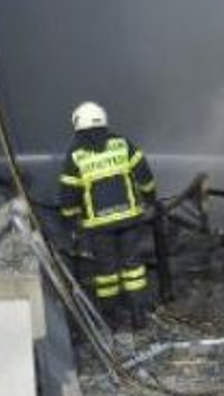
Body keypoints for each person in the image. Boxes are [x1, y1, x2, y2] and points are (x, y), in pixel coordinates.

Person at [57, 102, 157, 329]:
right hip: (130, 220)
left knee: (106, 274)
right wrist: (150, 198)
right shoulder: (122, 144)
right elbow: (144, 173)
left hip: (99, 226)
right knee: (134, 269)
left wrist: (68, 218)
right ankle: (138, 317)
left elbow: (68, 190)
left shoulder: (76, 154)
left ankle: (110, 319)